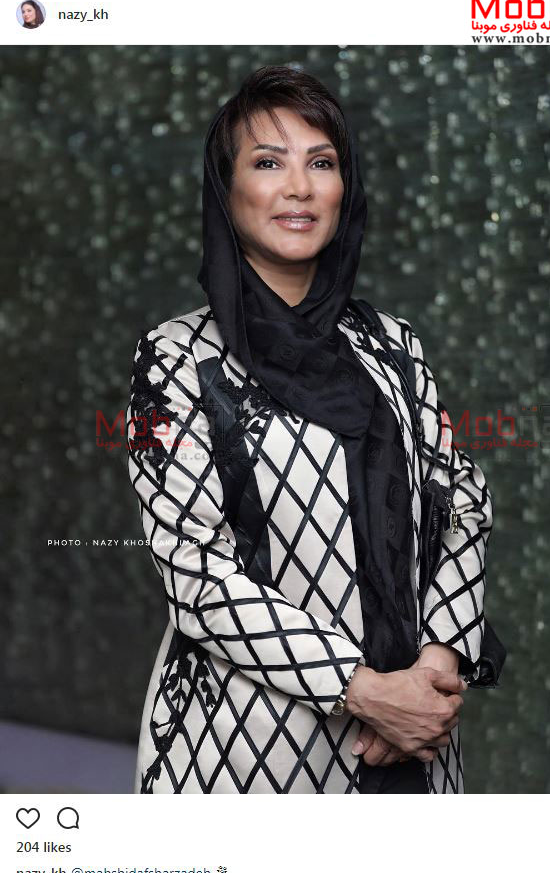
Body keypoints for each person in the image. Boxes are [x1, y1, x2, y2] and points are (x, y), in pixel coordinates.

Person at [125, 65, 493, 794]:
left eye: (321, 163)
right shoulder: (173, 359)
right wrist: (364, 690)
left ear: (344, 189)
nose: (298, 187)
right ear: (227, 189)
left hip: (419, 735)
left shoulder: (394, 346)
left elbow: (463, 505)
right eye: (268, 163)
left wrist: (435, 667)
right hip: (247, 746)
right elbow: (195, 570)